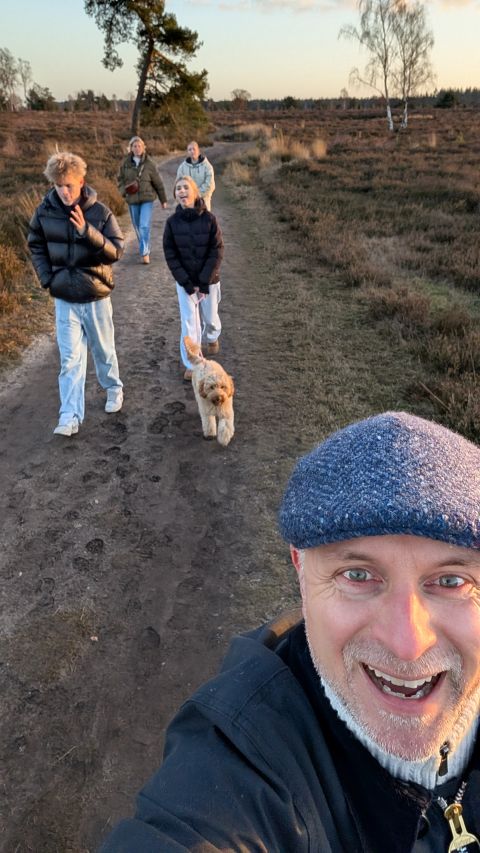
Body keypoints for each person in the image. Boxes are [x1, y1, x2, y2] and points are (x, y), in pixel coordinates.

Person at [99, 411, 480, 851]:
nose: (407, 645)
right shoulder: (238, 759)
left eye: (451, 581)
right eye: (357, 575)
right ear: (300, 571)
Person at [28, 152, 124, 437]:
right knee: (69, 360)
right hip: (65, 299)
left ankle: (113, 388)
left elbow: (115, 252)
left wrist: (86, 231)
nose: (64, 191)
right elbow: (36, 245)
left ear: (81, 181)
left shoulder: (101, 213)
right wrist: (47, 278)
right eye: (58, 186)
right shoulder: (44, 211)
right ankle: (69, 415)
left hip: (96, 296)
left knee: (103, 351)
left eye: (69, 185)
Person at [163, 176, 224, 381]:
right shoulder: (172, 223)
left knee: (210, 318)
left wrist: (204, 280)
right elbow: (170, 254)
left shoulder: (209, 219)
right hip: (185, 282)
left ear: (195, 192)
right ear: (175, 194)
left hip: (209, 280)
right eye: (178, 188)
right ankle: (192, 362)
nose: (181, 191)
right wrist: (186, 282)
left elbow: (217, 250)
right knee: (189, 322)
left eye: (185, 187)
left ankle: (212, 336)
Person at [117, 136, 167, 264]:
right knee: (137, 226)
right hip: (132, 200)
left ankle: (145, 252)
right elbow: (120, 180)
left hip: (147, 199)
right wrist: (124, 193)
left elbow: (158, 183)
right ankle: (144, 246)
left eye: (139, 146)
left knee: (144, 225)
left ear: (144, 147)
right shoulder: (125, 164)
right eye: (135, 146)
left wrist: (163, 200)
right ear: (130, 148)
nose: (137, 148)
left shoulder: (150, 164)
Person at [176, 140, 215, 211]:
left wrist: (196, 195)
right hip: (187, 204)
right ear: (187, 152)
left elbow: (210, 185)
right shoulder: (182, 167)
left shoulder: (207, 166)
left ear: (198, 151)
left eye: (194, 149)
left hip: (203, 202)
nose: (192, 151)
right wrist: (187, 195)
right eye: (189, 150)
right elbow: (178, 184)